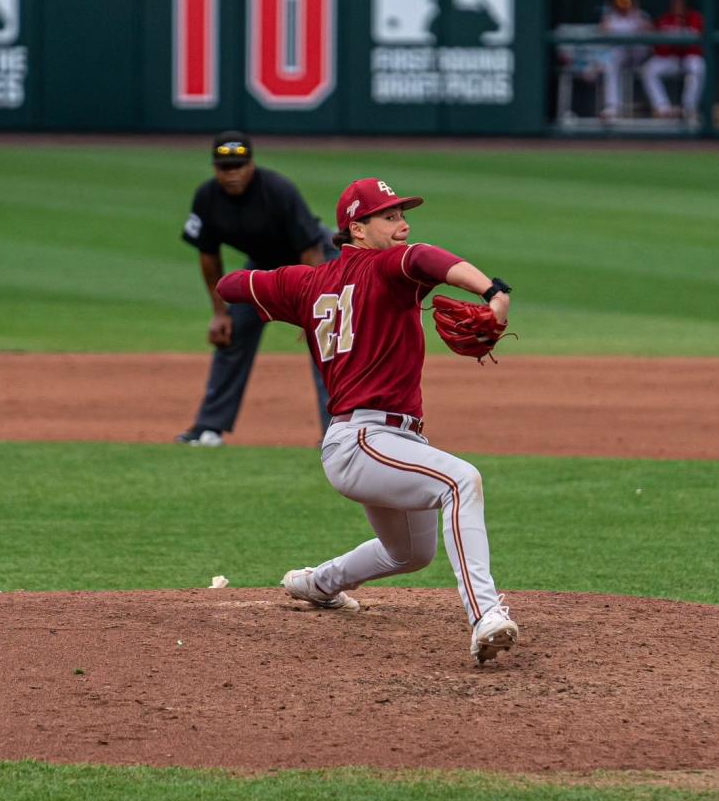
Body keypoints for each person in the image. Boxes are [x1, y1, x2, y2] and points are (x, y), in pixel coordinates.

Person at [213, 177, 519, 665]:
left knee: (410, 554)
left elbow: (231, 285)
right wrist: (493, 291)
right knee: (461, 482)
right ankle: (485, 615)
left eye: (401, 215)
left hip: (382, 444)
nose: (403, 225)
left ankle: (318, 585)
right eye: (390, 217)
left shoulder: (307, 282)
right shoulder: (387, 266)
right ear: (357, 228)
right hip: (363, 440)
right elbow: (425, 258)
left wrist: (295, 293)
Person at [178, 131, 334, 447]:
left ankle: (337, 432)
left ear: (251, 165)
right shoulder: (207, 198)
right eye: (225, 168)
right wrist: (219, 312)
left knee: (326, 342)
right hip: (264, 268)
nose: (232, 174)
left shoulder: (278, 191)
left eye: (239, 166)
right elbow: (208, 257)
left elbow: (311, 251)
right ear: (214, 168)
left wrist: (317, 308)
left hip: (317, 264)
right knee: (232, 333)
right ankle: (209, 428)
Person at [641, 0, 705, 120]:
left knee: (698, 66)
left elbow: (697, 46)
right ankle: (663, 108)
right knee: (649, 70)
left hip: (689, 57)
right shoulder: (665, 19)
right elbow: (658, 47)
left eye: (680, 2)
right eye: (675, 2)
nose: (677, 5)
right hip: (670, 58)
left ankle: (688, 109)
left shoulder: (695, 18)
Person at [598, 0, 652, 120]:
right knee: (611, 62)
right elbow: (602, 31)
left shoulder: (640, 15)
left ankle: (661, 109)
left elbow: (651, 30)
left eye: (626, 1)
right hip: (621, 56)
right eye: (620, 2)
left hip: (639, 55)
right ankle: (612, 108)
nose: (623, 4)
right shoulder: (611, 17)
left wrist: (637, 15)